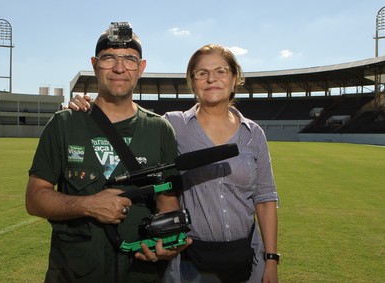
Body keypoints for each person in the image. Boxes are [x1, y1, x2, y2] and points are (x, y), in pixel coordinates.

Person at [68, 44, 280, 283]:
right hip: (189, 257)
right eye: (202, 73)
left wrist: (271, 258)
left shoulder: (253, 133)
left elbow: (265, 198)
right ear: (192, 81)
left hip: (246, 257)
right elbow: (125, 114)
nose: (212, 79)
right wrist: (87, 106)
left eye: (221, 71)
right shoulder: (171, 124)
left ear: (234, 79)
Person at [26, 22, 189, 283]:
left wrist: (167, 244)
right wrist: (88, 205)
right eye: (109, 58)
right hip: (74, 273)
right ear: (94, 63)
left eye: (129, 59)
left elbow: (167, 203)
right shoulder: (64, 124)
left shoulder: (160, 130)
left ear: (141, 67)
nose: (119, 68)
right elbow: (34, 199)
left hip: (140, 274)